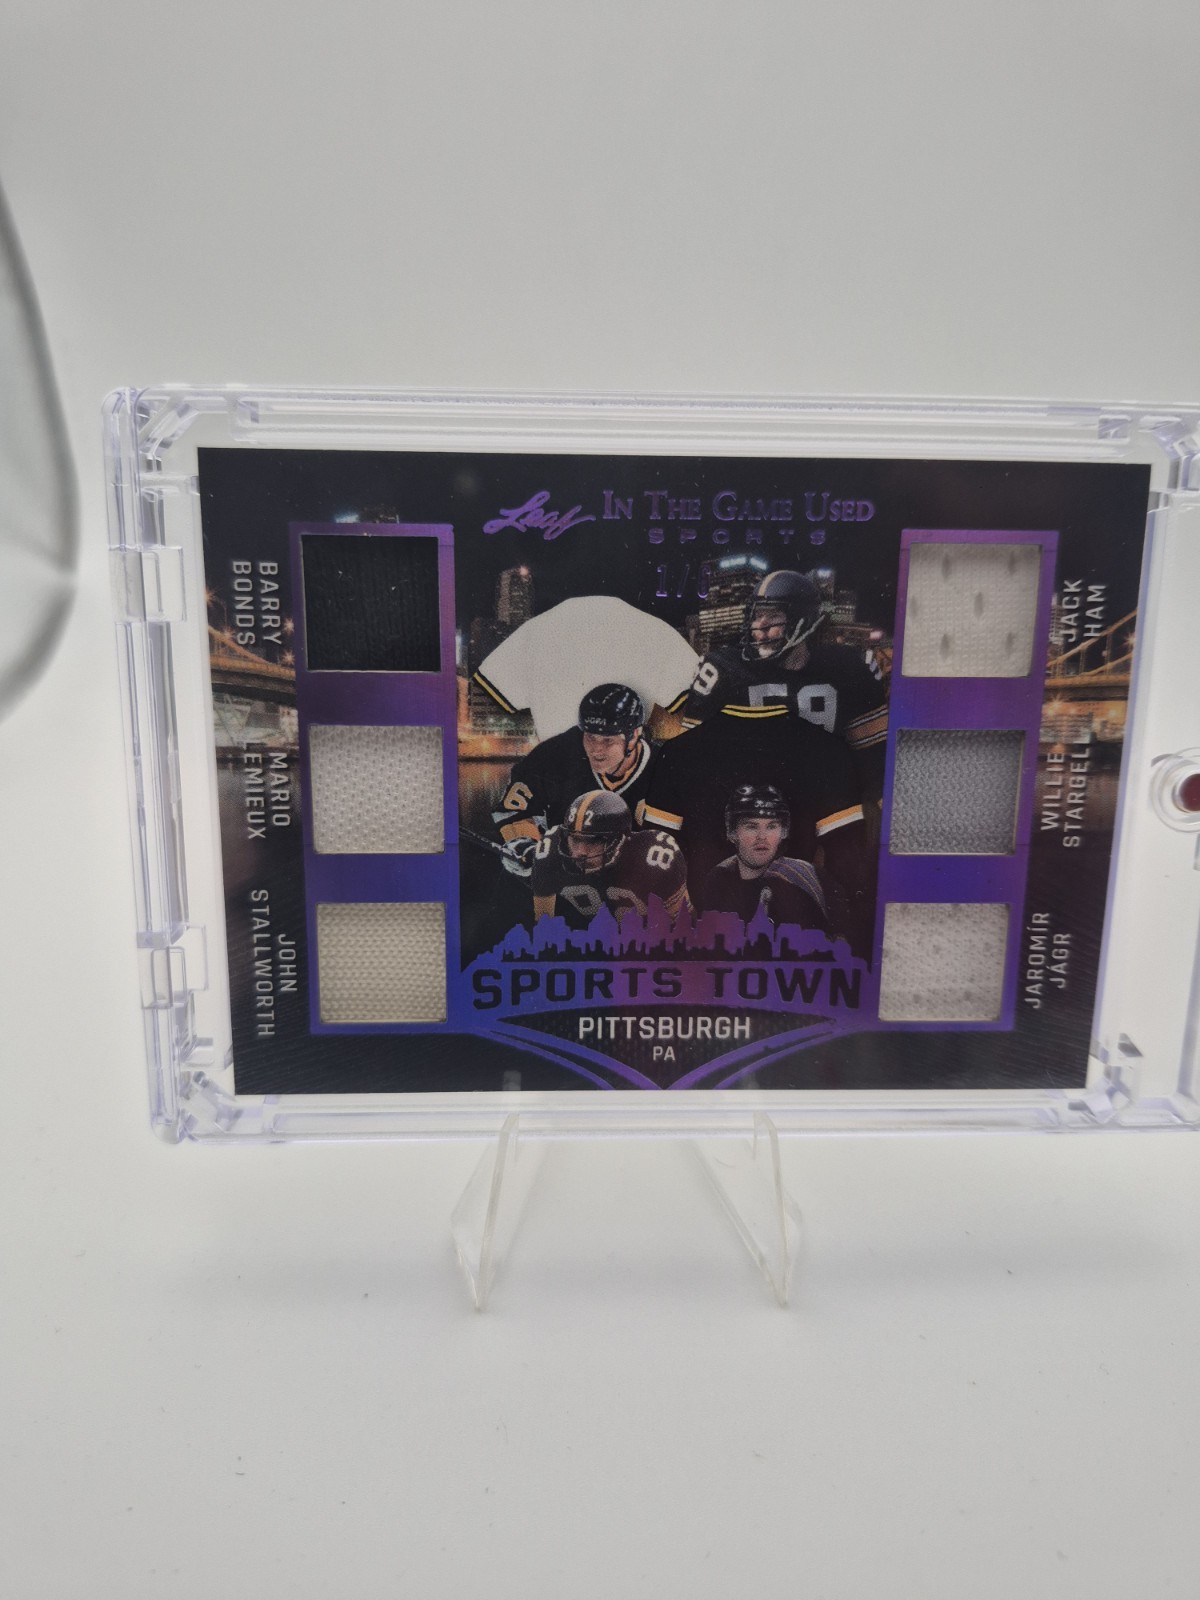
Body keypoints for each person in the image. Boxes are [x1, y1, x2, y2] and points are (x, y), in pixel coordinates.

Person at [677, 569, 889, 799]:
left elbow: (873, 763)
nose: (760, 627)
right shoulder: (723, 669)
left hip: (822, 800)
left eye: (773, 615)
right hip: (748, 802)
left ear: (803, 619)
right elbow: (693, 757)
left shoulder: (847, 668)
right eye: (757, 616)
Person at [493, 683, 653, 875]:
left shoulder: (663, 766)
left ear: (634, 735)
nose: (596, 749)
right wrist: (525, 845)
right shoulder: (554, 755)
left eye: (608, 740)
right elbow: (512, 810)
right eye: (590, 737)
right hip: (564, 875)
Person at [530, 790, 689, 929]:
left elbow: (682, 925)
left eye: (594, 841)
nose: (580, 852)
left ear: (619, 839)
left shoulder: (654, 858)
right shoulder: (550, 851)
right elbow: (543, 927)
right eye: (575, 839)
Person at [701, 785, 830, 932]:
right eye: (752, 827)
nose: (762, 837)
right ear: (732, 833)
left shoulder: (800, 879)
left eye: (771, 826)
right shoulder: (717, 878)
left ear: (783, 832)